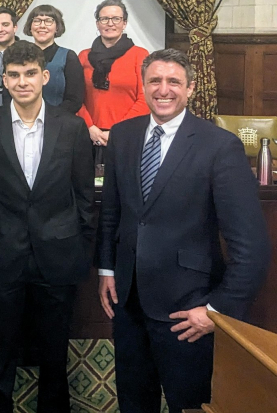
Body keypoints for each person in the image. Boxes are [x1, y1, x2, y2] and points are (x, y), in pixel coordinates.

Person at [97, 48, 270, 413]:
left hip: (189, 311)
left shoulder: (219, 146)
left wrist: (216, 309)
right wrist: (107, 269)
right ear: (143, 86)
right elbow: (112, 213)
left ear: (190, 88)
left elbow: (251, 247)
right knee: (133, 403)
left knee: (188, 405)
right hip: (128, 305)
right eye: (155, 81)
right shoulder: (124, 136)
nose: (164, 89)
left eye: (173, 81)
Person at [0, 41, 95, 413]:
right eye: (14, 75)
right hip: (2, 257)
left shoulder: (73, 127)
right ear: (4, 79)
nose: (22, 81)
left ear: (44, 76)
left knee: (54, 354)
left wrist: (81, 251)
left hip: (57, 256)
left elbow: (84, 197)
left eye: (30, 73)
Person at [77, 0, 149, 162]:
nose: (110, 23)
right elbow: (76, 98)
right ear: (97, 23)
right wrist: (90, 127)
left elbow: (145, 99)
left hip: (128, 134)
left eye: (116, 19)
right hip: (90, 135)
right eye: (104, 19)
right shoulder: (83, 57)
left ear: (124, 23)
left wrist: (118, 131)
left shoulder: (140, 55)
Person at [21, 4, 84, 114]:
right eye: (37, 21)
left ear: (57, 27)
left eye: (48, 21)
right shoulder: (18, 55)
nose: (42, 26)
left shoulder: (69, 57)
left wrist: (49, 117)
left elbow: (75, 100)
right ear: (30, 27)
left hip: (58, 121)